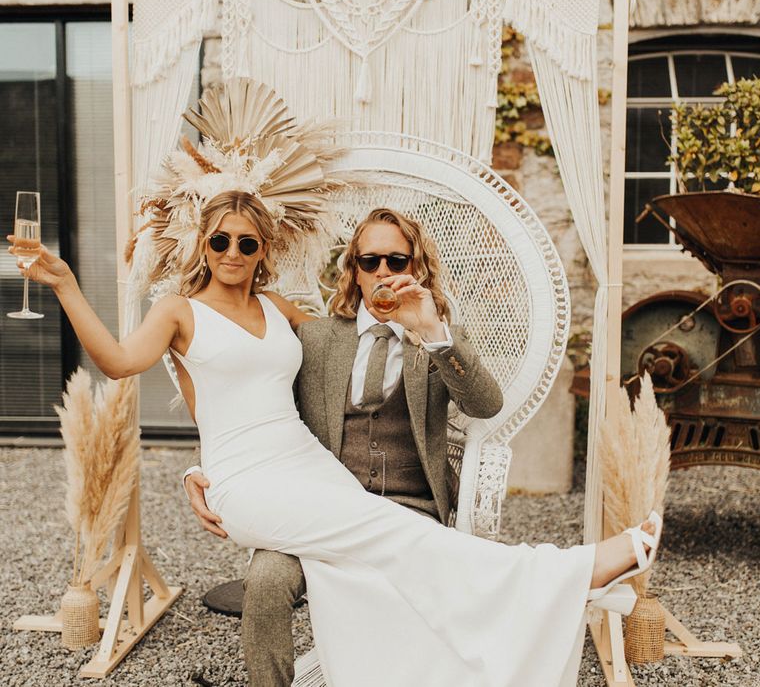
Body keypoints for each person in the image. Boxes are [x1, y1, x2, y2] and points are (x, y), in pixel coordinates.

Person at [12, 190, 661, 687]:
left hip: (311, 469)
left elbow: (457, 390)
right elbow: (127, 365)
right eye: (220, 242)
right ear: (203, 246)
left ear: (264, 249)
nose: (233, 254)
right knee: (389, 539)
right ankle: (569, 571)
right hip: (249, 482)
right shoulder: (177, 311)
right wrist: (67, 284)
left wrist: (426, 324)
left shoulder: (287, 314)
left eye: (246, 243)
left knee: (390, 542)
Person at [183, 206, 504, 686]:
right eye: (369, 261)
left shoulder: (437, 338)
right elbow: (251, 410)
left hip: (409, 509)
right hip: (314, 507)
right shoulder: (315, 339)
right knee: (267, 582)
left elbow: (486, 405)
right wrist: (197, 469)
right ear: (352, 270)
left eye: (397, 261)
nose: (383, 273)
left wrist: (434, 332)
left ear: (415, 267)